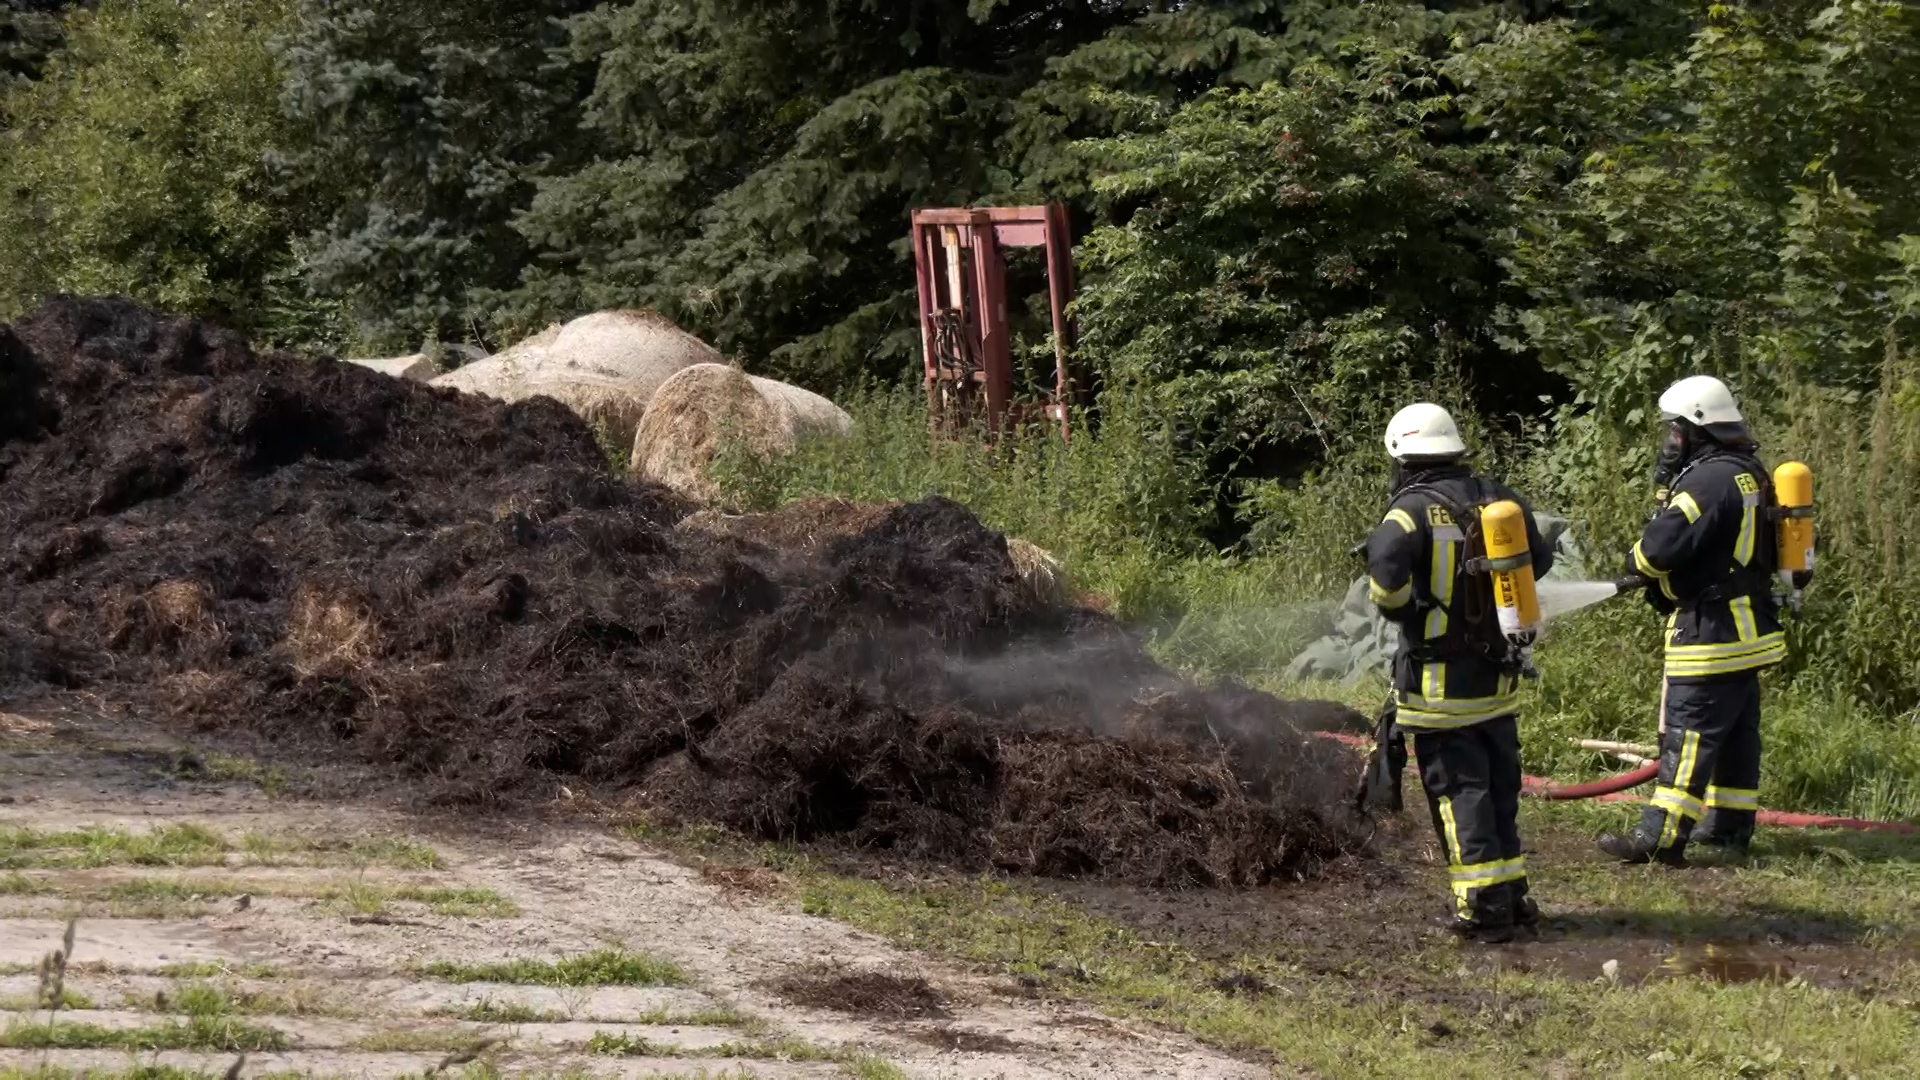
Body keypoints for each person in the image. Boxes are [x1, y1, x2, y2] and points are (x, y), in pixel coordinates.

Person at [1363, 403, 1555, 942]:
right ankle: (1514, 897)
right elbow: (1535, 562)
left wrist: (1409, 609)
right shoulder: (1500, 499)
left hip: (1438, 689)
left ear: (1403, 457)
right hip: (1497, 680)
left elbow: (1385, 580)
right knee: (1498, 791)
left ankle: (1481, 907)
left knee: (1457, 793)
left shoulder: (1408, 512)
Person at [1600, 376, 1786, 865]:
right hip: (1749, 630)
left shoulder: (1707, 480)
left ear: (1698, 427)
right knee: (1736, 737)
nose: (1670, 441)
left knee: (1690, 735)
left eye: (1675, 430)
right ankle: (1728, 828)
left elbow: (1656, 551)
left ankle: (1659, 840)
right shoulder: (1749, 471)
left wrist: (1634, 558)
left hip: (1711, 633)